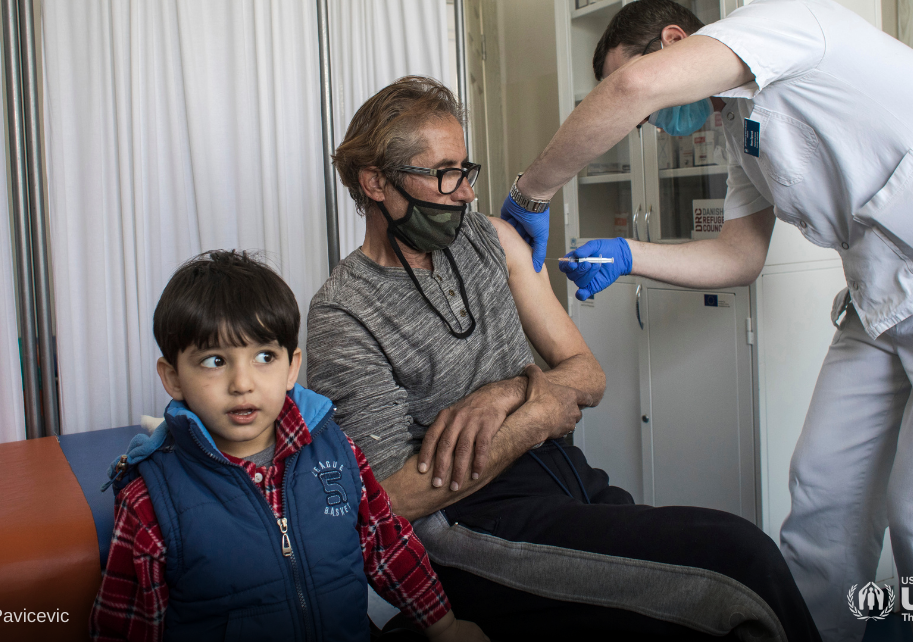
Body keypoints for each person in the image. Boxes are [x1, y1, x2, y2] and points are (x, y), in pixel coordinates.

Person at [500, 0, 913, 641]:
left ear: (676, 40)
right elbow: (738, 257)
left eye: (635, 91)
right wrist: (628, 253)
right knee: (822, 500)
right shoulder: (743, 131)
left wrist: (531, 190)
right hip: (886, 294)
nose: (647, 118)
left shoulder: (788, 23)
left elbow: (635, 84)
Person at [307, 75, 821, 641]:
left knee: (704, 593)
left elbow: (587, 374)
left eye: (465, 170)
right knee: (738, 562)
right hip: (467, 521)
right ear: (375, 182)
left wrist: (506, 392)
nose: (467, 193)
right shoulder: (343, 313)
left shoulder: (493, 241)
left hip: (563, 478)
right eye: (444, 173)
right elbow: (392, 500)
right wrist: (534, 416)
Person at [90, 250, 486, 642]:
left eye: (264, 356)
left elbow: (387, 543)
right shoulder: (150, 499)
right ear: (173, 377)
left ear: (292, 367)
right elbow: (124, 625)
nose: (242, 383)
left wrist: (445, 626)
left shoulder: (336, 450)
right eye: (214, 361)